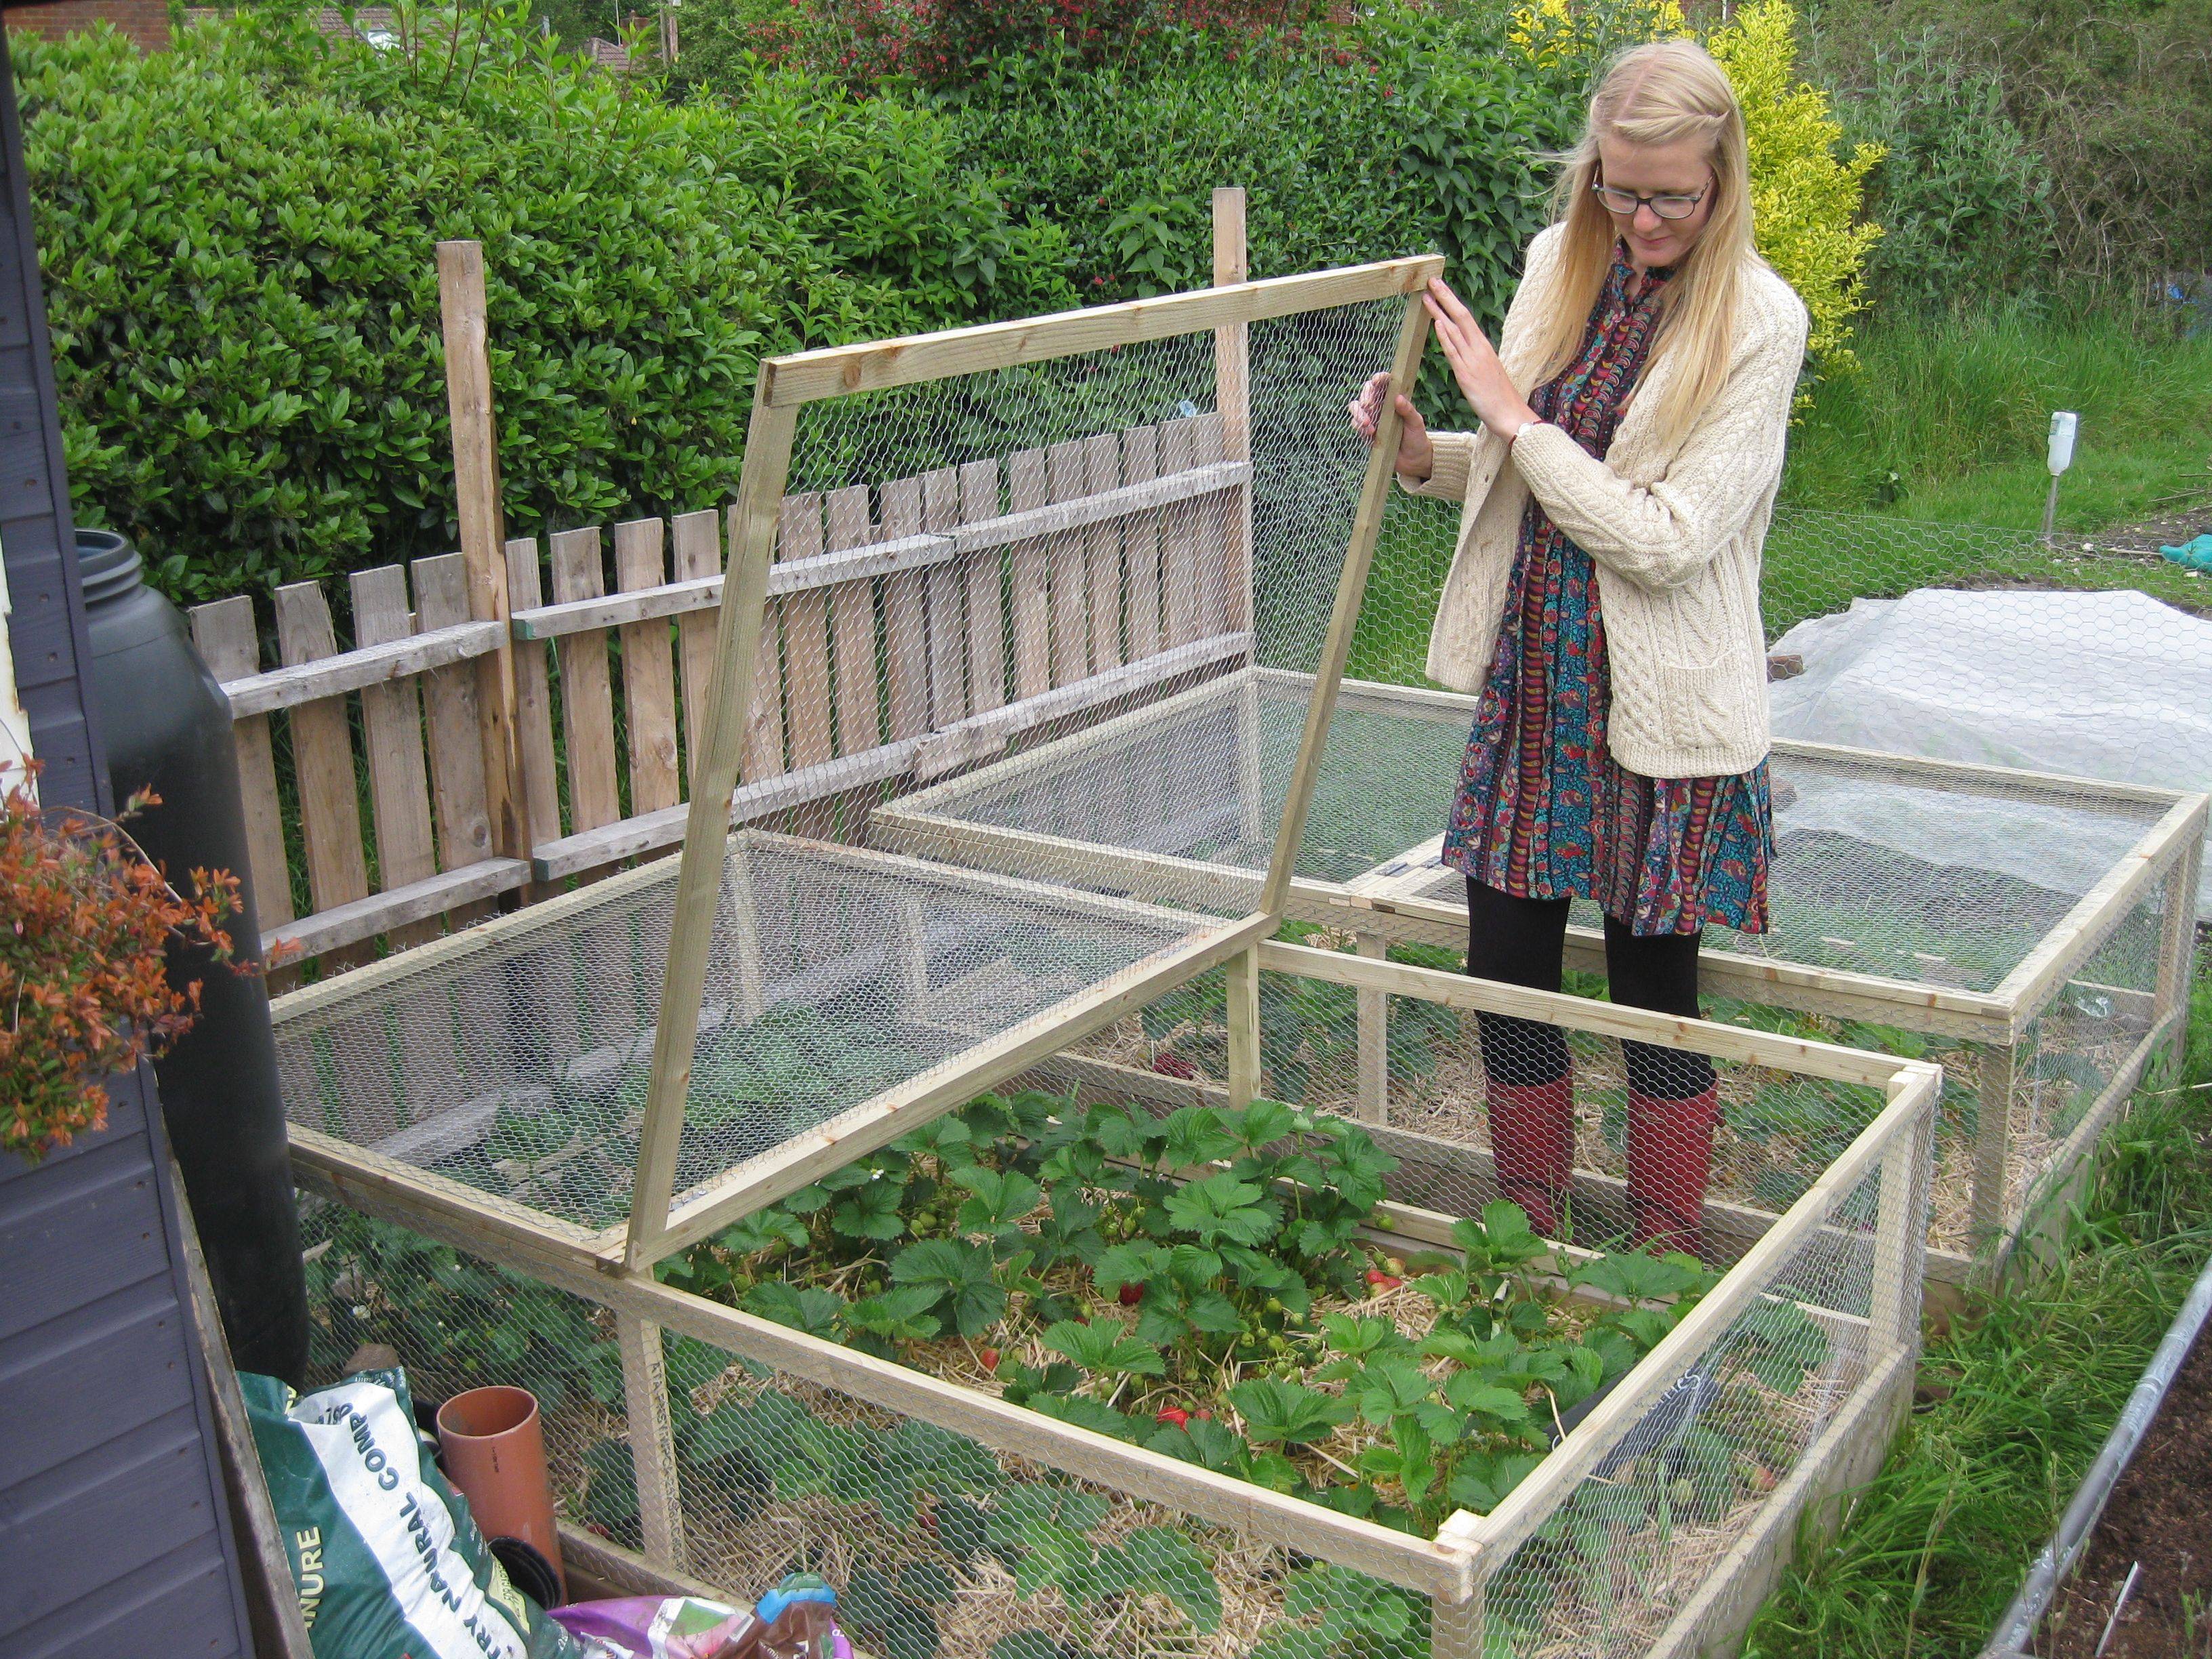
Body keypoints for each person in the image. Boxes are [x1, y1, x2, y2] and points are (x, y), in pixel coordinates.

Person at [1351, 39, 1809, 1256]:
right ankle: (1526, 1234)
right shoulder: (1563, 260)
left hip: (1661, 707)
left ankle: (1664, 1250)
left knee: (1654, 995)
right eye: (1619, 184)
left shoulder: (1760, 320)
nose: (1641, 216)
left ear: (1724, 181)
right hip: (1538, 686)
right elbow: (1529, 472)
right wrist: (1426, 455)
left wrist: (1508, 410)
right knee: (1508, 972)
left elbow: (1664, 539)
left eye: (1671, 193)